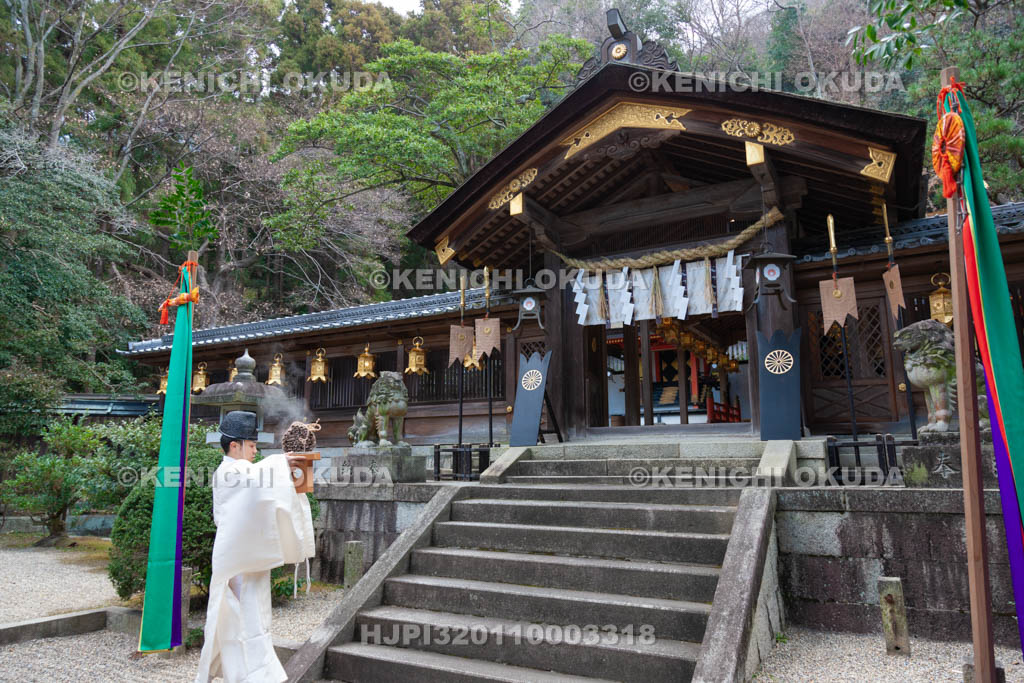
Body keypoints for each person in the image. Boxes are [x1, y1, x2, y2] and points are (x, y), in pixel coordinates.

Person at [194, 410, 315, 683]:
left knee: (248, 620)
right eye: (251, 445)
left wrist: (292, 463)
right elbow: (261, 478)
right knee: (246, 620)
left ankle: (245, 675)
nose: (255, 450)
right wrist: (287, 460)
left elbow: (264, 485)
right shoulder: (231, 471)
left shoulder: (238, 471)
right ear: (234, 445)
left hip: (244, 555)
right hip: (240, 560)